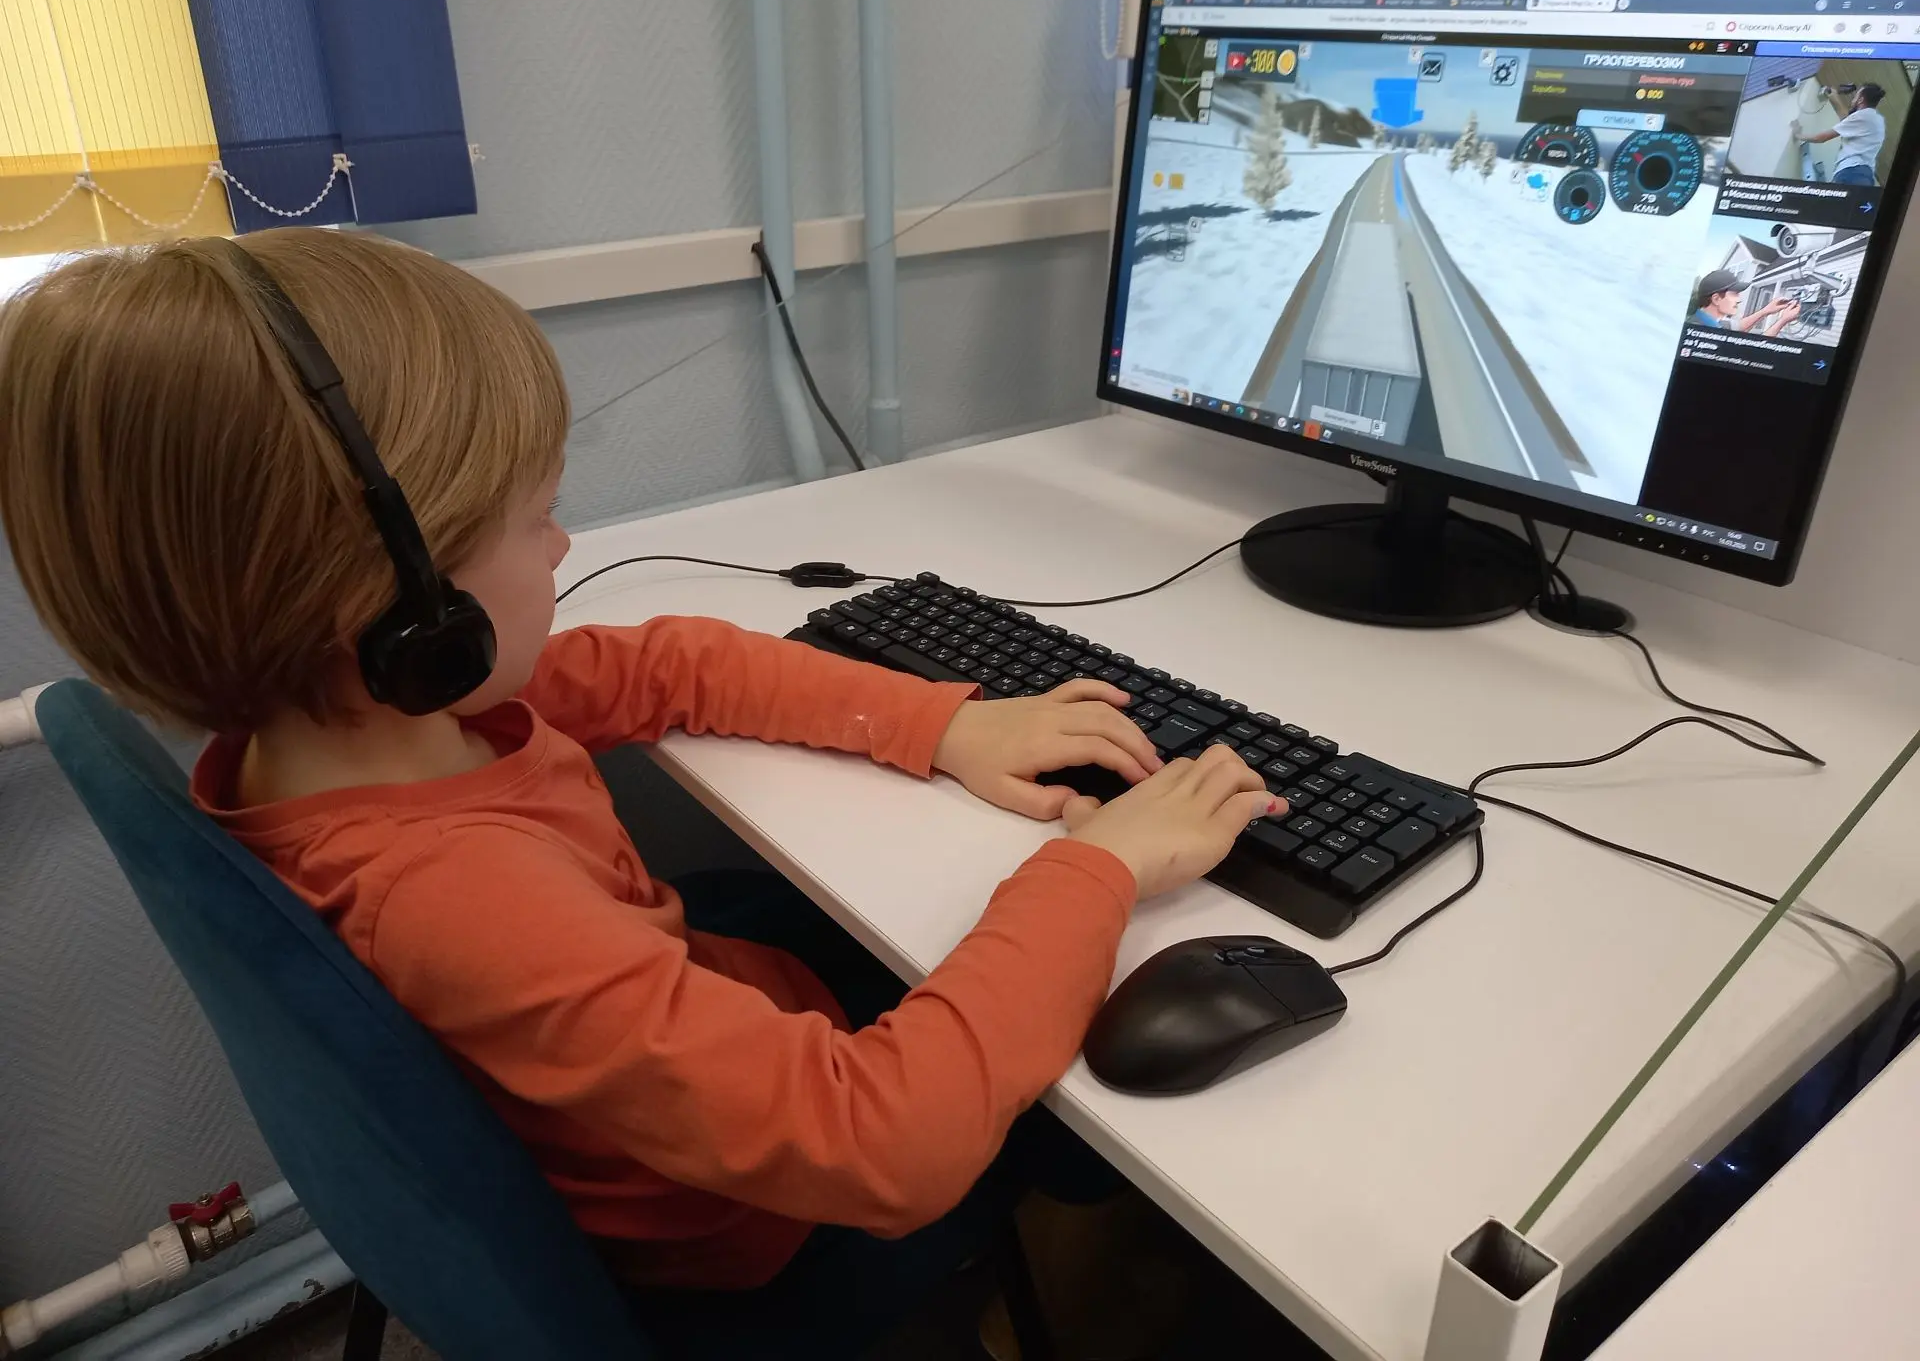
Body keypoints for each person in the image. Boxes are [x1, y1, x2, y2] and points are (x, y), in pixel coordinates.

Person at [0, 229, 1279, 1358]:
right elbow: (881, 1145)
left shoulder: (364, 727)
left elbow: (666, 663)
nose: (564, 544)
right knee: (1107, 1097)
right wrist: (1099, 868)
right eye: (536, 517)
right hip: (753, 1231)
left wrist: (940, 722)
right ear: (396, 613)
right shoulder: (461, 895)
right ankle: (1090, 1291)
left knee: (880, 920)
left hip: (682, 1078)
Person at [1794, 81, 1887, 187]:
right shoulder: (1876, 119)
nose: (1853, 100)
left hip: (1851, 172)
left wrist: (1798, 135)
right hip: (1865, 175)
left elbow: (1821, 138)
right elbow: (1847, 122)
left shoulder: (1863, 116)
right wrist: (1835, 99)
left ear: (1861, 100)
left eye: (1856, 96)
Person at [1690, 268, 1801, 336]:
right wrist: (1783, 320)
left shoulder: (1714, 322)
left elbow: (1739, 327)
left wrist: (1766, 311)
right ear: (1716, 299)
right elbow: (1756, 352)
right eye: (1734, 294)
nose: (1739, 299)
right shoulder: (1700, 331)